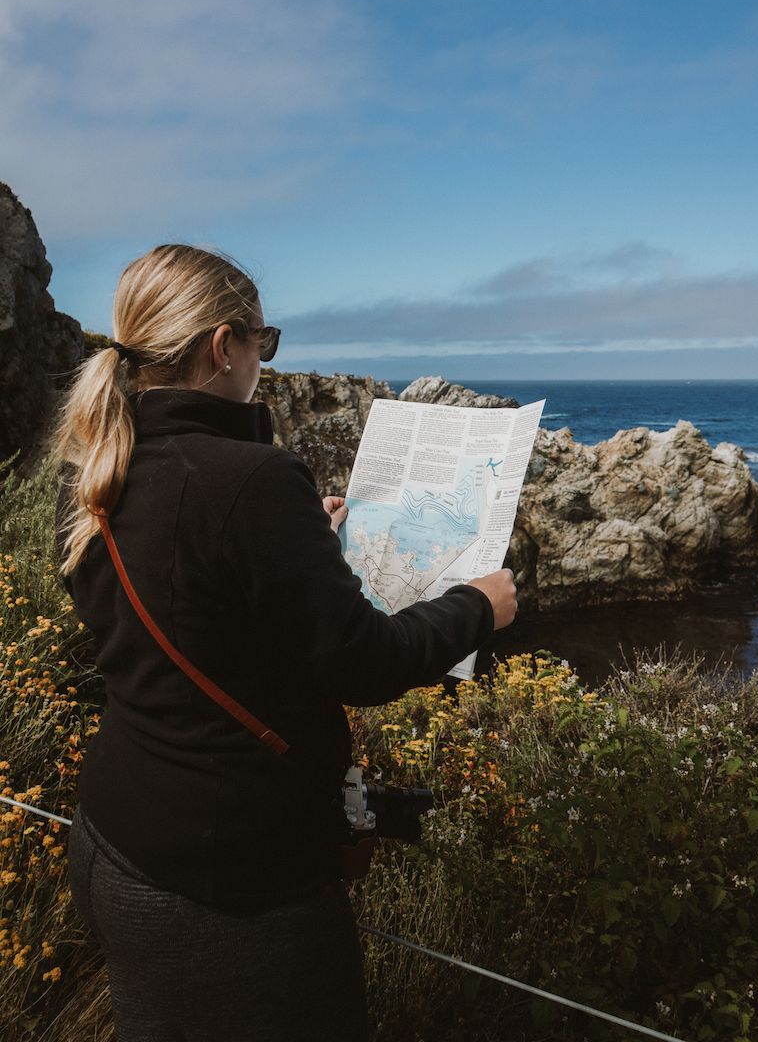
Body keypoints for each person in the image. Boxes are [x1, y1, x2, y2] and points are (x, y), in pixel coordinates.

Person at [56, 243, 516, 1042]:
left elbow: (182, 598)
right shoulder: (254, 480)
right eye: (263, 343)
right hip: (230, 879)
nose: (262, 363)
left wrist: (307, 543)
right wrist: (477, 605)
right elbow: (365, 662)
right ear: (223, 345)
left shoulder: (97, 463)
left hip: (115, 840)